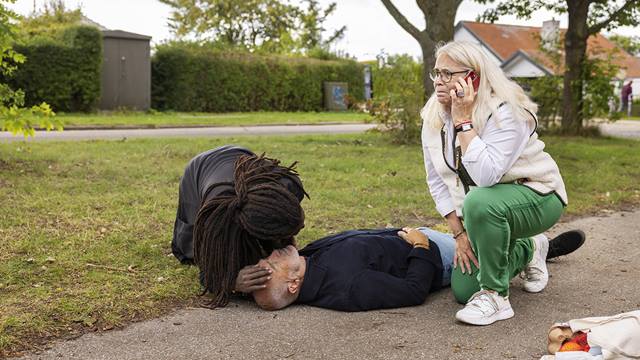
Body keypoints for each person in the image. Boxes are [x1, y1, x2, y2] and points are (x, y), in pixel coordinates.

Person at [420, 41, 569, 325]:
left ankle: (496, 296)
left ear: (473, 76)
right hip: (488, 207)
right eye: (436, 73)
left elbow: (485, 176)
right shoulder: (433, 116)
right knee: (463, 290)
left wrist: (463, 121)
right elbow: (437, 179)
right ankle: (529, 249)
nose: (439, 81)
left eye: (448, 74)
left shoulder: (506, 111)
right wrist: (459, 235)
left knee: (480, 201)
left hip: (537, 195)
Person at [252, 227, 584, 312]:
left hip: (418, 236)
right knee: (490, 248)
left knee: (485, 232)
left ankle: (531, 245)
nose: (271, 255)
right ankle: (536, 248)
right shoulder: (349, 288)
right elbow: (412, 291)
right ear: (293, 284)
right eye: (272, 265)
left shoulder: (307, 259)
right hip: (439, 255)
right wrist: (421, 245)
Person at [171, 145, 308, 307]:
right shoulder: (219, 214)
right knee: (191, 251)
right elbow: (207, 270)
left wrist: (285, 240)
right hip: (199, 169)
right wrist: (230, 281)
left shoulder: (289, 186)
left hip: (240, 155)